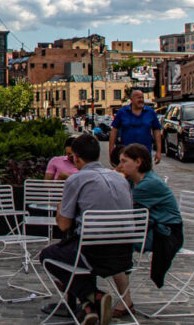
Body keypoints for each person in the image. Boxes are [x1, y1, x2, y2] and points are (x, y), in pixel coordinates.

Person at [37, 132, 132, 325]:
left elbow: (64, 224)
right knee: (73, 251)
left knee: (48, 255)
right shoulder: (120, 179)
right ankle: (89, 308)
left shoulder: (77, 179)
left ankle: (93, 296)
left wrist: (60, 207)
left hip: (92, 254)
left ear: (76, 158)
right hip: (123, 254)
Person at [113, 143, 183, 314]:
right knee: (114, 242)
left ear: (138, 162)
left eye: (123, 161)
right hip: (151, 229)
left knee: (114, 245)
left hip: (166, 234)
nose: (119, 166)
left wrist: (116, 178)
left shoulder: (149, 184)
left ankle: (124, 300)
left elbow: (118, 204)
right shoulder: (134, 181)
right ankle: (123, 298)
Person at [111, 90, 162, 164]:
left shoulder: (150, 112)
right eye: (138, 98)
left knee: (145, 174)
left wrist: (158, 152)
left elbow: (156, 131)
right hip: (126, 153)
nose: (141, 100)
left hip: (145, 153)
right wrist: (111, 152)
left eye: (142, 97)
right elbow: (114, 131)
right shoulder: (122, 112)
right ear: (131, 99)